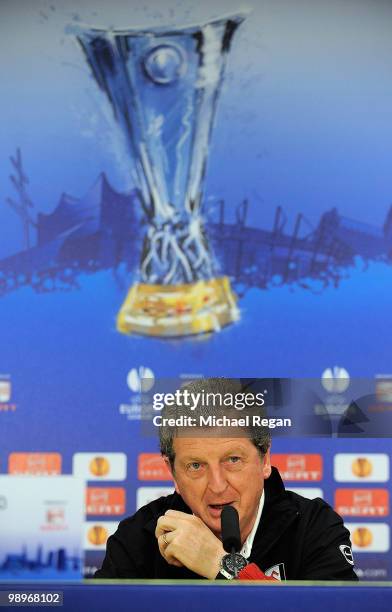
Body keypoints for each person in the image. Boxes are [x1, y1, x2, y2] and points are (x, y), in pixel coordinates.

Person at [95, 378, 358, 581]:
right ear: (172, 471)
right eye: (196, 465)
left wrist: (221, 565)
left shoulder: (314, 526)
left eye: (233, 460)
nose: (218, 486)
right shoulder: (138, 538)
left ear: (264, 460)